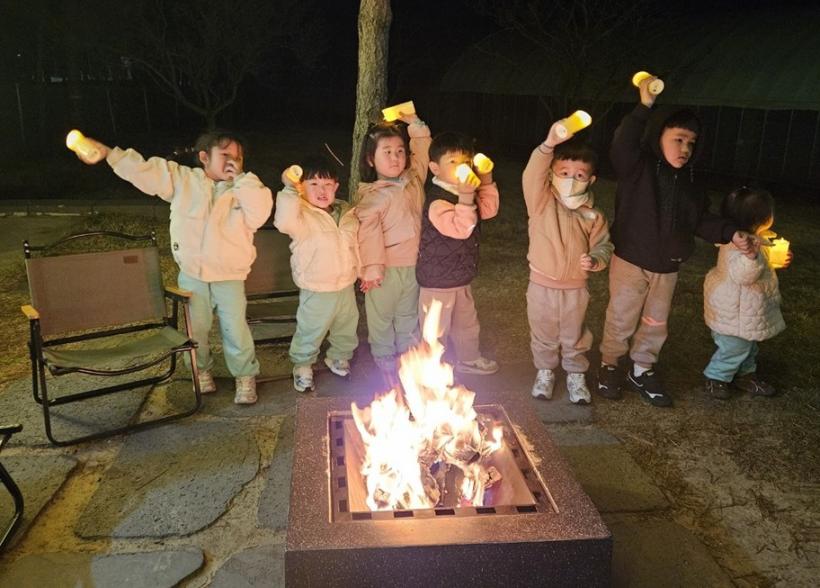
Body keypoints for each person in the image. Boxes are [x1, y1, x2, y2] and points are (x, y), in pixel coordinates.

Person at [74, 131, 272, 405]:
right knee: (195, 328)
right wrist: (110, 153)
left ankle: (245, 375)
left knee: (235, 329)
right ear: (204, 157)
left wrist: (242, 180)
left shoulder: (245, 189)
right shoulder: (183, 180)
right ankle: (200, 370)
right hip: (193, 274)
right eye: (225, 155)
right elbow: (146, 171)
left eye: (237, 157)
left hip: (230, 275)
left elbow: (261, 212)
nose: (232, 161)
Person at [597, 76, 755, 407]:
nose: (685, 149)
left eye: (691, 143)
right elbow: (621, 144)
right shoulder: (637, 167)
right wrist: (644, 107)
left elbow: (700, 219)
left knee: (655, 322)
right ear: (658, 137)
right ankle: (610, 364)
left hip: (667, 267)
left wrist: (730, 232)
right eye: (678, 139)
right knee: (621, 317)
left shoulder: (692, 182)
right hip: (630, 259)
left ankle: (642, 368)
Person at [522, 126, 613, 404]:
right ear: (551, 173)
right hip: (541, 284)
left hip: (575, 287)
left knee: (575, 333)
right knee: (543, 330)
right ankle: (545, 370)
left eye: (579, 175)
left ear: (591, 179)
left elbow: (604, 245)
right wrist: (548, 145)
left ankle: (575, 373)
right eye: (564, 172)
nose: (571, 180)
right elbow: (532, 174)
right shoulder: (541, 202)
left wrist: (595, 259)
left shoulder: (593, 215)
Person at [355, 110, 432, 381]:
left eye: (400, 151)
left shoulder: (413, 181)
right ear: (370, 159)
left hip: (413, 264)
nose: (395, 157)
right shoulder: (372, 197)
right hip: (384, 270)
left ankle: (408, 352)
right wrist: (372, 269)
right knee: (381, 315)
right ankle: (383, 352)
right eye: (386, 152)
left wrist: (415, 123)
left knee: (408, 312)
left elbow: (423, 152)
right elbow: (368, 235)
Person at [416, 132, 500, 375]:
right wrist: (465, 196)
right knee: (435, 328)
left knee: (467, 324)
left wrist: (486, 179)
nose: (461, 168)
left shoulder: (464, 193)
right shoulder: (438, 201)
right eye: (452, 162)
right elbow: (461, 229)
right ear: (435, 168)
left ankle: (468, 358)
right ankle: (429, 368)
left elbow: (489, 210)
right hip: (437, 280)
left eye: (465, 162)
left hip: (461, 277)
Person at [273, 156, 359, 392]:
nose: (322, 191)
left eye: (327, 184)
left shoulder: (347, 212)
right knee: (311, 329)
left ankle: (339, 356)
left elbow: (355, 246)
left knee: (346, 325)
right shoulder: (300, 215)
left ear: (336, 187)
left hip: (346, 284)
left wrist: (362, 271)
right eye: (314, 184)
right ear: (302, 188)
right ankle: (302, 365)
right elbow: (283, 221)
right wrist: (289, 189)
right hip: (316, 287)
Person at [703, 186, 791, 399]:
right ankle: (716, 377)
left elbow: (760, 266)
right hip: (736, 310)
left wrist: (776, 260)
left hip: (745, 310)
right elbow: (744, 275)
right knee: (734, 348)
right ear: (761, 218)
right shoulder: (739, 245)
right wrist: (752, 257)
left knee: (748, 346)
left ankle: (745, 374)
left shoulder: (754, 239)